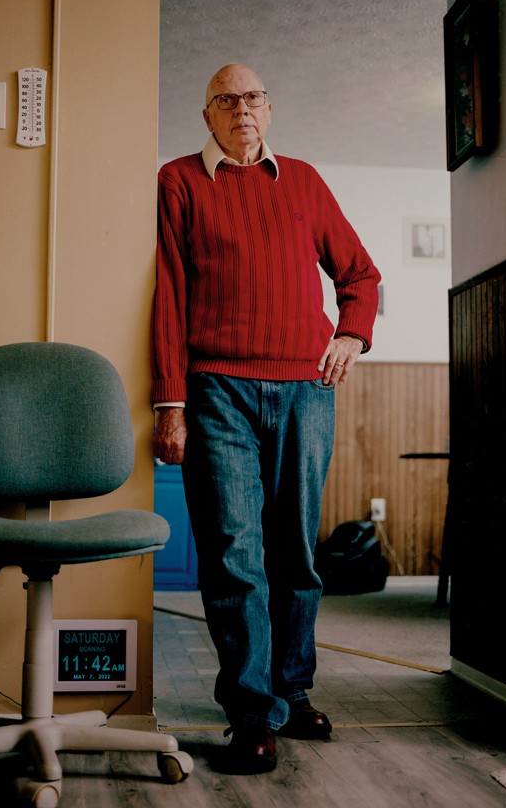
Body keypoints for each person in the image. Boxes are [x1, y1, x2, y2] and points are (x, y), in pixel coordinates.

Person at [152, 63, 380, 774]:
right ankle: (251, 712)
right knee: (233, 553)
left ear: (269, 110)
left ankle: (291, 689)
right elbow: (166, 292)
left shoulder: (305, 181)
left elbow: (360, 275)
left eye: (251, 98)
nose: (240, 109)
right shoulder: (179, 180)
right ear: (207, 116)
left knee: (296, 555)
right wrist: (170, 403)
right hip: (216, 387)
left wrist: (349, 333)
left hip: (304, 389)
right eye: (225, 100)